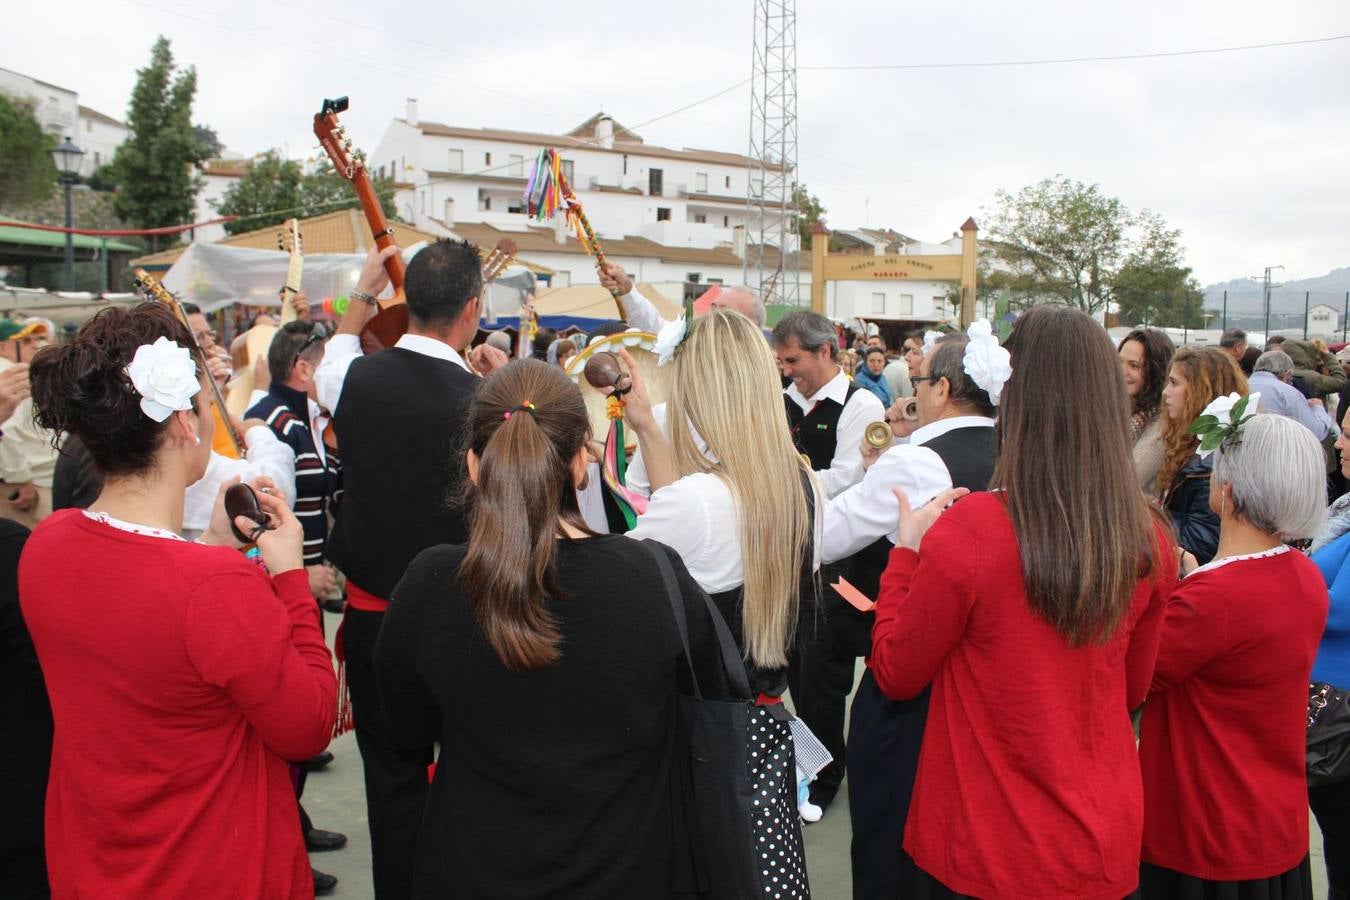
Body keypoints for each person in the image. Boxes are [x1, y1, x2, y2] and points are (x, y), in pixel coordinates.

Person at [375, 359, 728, 898]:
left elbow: (404, 734)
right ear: (579, 465)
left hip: (474, 870)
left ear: (474, 465)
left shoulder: (429, 585)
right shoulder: (652, 579)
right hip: (635, 872)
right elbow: (711, 704)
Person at [20, 302, 336, 898]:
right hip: (209, 863)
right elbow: (307, 727)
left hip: (97, 858)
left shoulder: (47, 545)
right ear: (184, 424)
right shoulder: (213, 587)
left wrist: (216, 540)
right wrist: (291, 576)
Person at [869, 304, 1175, 898]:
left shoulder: (975, 530)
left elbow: (897, 672)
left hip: (982, 846)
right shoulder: (1148, 535)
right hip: (1099, 840)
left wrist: (906, 557)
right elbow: (1133, 689)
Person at [315, 239, 480, 900]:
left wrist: (361, 294)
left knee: (391, 779)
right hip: (464, 625)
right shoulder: (486, 400)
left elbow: (336, 351)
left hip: (376, 623)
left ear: (406, 302)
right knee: (474, 770)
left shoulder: (351, 379)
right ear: (473, 307)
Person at [828, 327, 1002, 899]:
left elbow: (827, 534)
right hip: (982, 681)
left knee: (889, 835)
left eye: (921, 381)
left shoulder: (921, 463)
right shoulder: (1010, 451)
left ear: (943, 388)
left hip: (916, 671)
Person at [1140, 413, 1328, 898]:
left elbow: (1134, 673)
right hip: (1274, 821)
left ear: (1229, 489)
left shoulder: (1213, 599)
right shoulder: (1303, 576)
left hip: (1205, 832)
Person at [772, 309, 885, 812]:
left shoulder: (860, 404)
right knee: (796, 674)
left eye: (793, 359)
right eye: (782, 360)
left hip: (845, 567)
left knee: (823, 677)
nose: (787, 369)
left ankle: (823, 778)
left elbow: (849, 479)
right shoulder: (779, 402)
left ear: (826, 352)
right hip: (790, 560)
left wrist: (787, 485)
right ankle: (809, 766)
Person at [247, 322, 343, 601]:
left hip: (304, 587)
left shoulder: (311, 419)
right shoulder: (270, 420)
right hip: (283, 591)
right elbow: (254, 517)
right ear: (303, 370)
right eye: (330, 364)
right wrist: (296, 573)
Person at [1309, 404, 1350, 900]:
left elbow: (1338, 610)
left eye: (1347, 434)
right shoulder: (1344, 509)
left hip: (1339, 720)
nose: (1338, 443)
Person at [1158, 347, 1248, 565]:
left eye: (1174, 383)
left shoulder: (1210, 464)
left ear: (1201, 391)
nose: (1165, 392)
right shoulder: (1194, 448)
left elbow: (1198, 545)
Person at [0, 320, 58, 527]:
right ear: (3, 347)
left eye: (37, 339)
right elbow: (6, 430)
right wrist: (21, 480)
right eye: (24, 341)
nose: (34, 345)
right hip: (31, 485)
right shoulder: (7, 374)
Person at [599, 261, 767, 330]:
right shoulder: (691, 342)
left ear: (750, 326)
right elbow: (653, 327)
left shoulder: (765, 371)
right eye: (713, 306)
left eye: (723, 309)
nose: (712, 314)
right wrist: (627, 290)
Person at [1118, 327, 1175, 494]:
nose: (1122, 371)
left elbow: (1123, 484)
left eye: (1134, 366)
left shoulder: (1161, 427)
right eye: (1119, 361)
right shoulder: (1119, 414)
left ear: (1155, 372)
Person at [1249, 349, 1332, 439]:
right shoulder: (1288, 392)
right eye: (1290, 379)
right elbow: (1316, 432)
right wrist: (1318, 407)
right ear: (1287, 374)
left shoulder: (1238, 386)